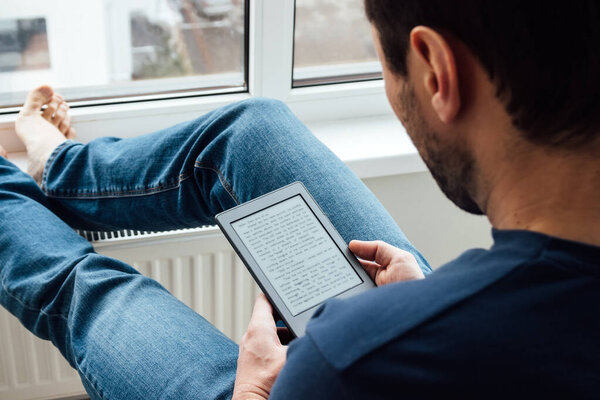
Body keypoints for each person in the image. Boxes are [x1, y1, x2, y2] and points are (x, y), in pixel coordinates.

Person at [1, 0, 599, 398]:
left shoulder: (343, 366)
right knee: (253, 133)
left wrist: (258, 391)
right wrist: (422, 307)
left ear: (437, 72)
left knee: (85, 288)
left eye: (381, 63)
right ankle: (59, 165)